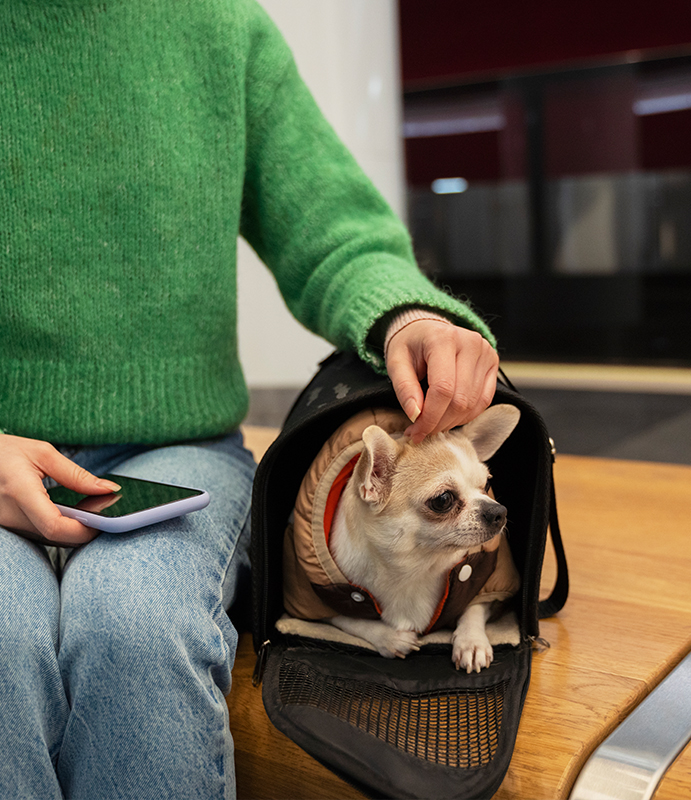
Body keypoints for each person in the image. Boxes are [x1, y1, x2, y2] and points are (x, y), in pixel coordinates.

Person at [0, 1, 499, 798]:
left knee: (137, 625)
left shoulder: (222, 27)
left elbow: (334, 227)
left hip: (176, 446)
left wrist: (407, 312)